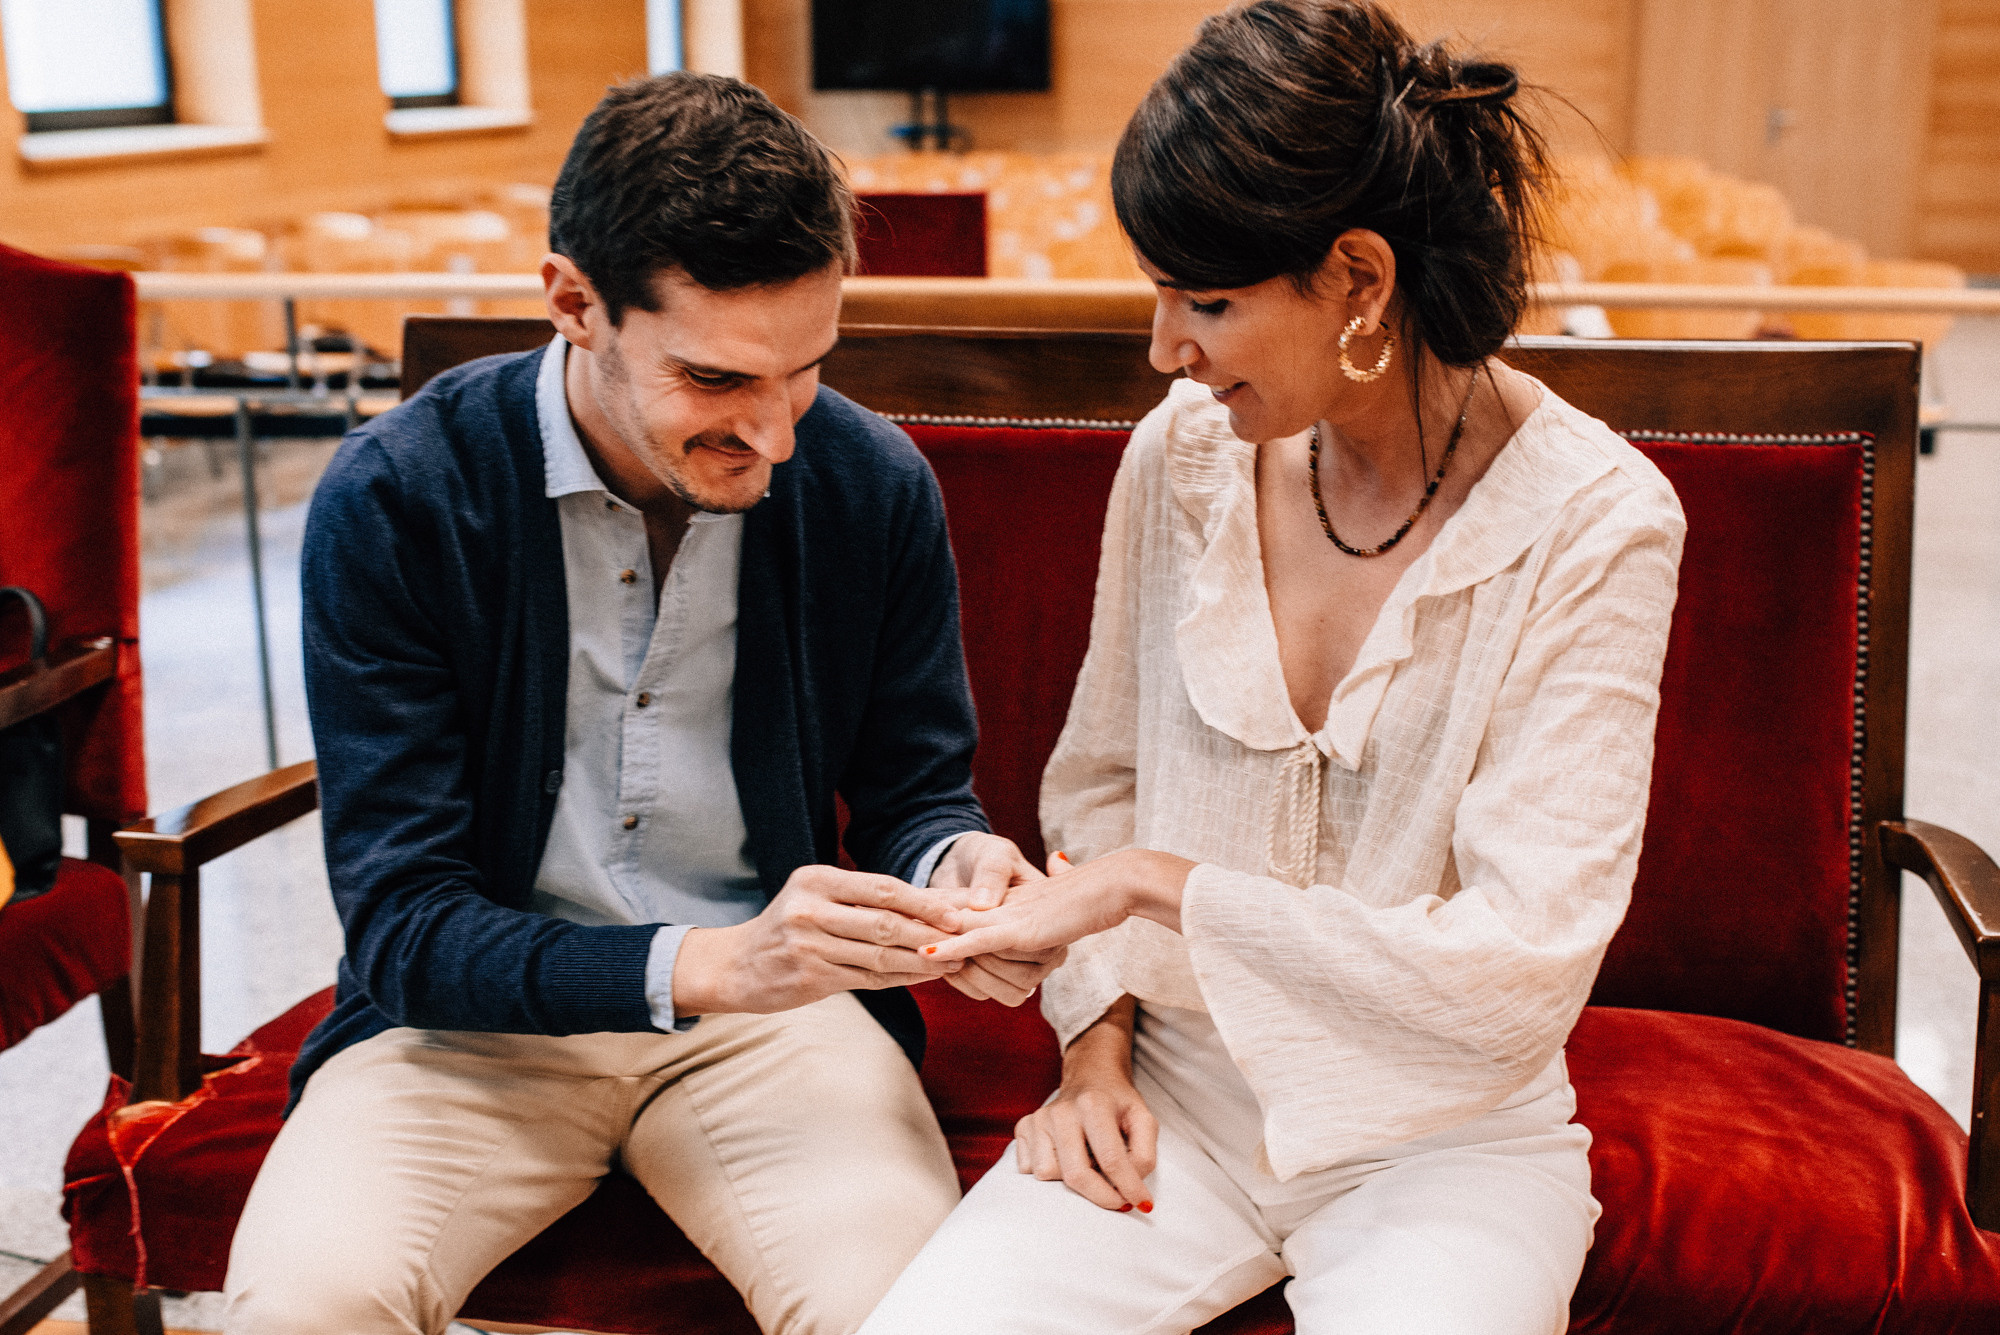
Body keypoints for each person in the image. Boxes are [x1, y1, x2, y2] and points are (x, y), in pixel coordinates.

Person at [860, 3, 1686, 1332]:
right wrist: (1093, 1044)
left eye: (1209, 299)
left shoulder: (1602, 520)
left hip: (1446, 1135)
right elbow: (1102, 787)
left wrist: (1153, 886)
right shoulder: (1180, 457)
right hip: (1174, 1087)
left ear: (1360, 279)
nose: (1164, 347)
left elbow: (1519, 960)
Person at [223, 73, 1057, 1335]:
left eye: (807, 372)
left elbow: (912, 793)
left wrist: (960, 865)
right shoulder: (400, 494)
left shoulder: (867, 483)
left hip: (778, 1027)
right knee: (304, 1312)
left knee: (912, 1315)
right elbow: (402, 928)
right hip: (463, 1033)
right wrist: (708, 961)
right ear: (573, 305)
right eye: (716, 381)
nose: (773, 437)